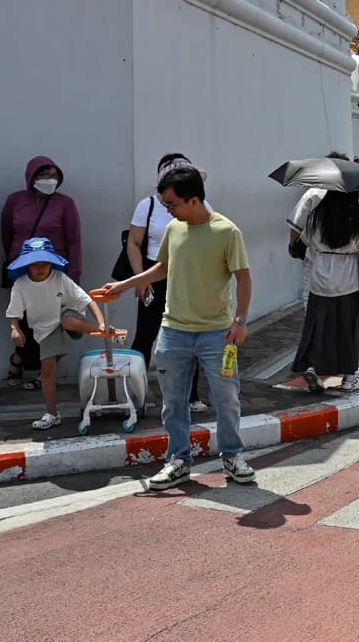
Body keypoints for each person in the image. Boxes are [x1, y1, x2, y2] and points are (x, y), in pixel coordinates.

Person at [102, 164, 255, 491]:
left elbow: (243, 278)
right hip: (173, 330)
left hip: (218, 333)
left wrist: (240, 321)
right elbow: (163, 268)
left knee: (226, 398)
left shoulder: (227, 232)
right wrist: (126, 285)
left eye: (172, 203)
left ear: (194, 200)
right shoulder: (174, 229)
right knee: (173, 402)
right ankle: (178, 461)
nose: (167, 209)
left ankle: (232, 455)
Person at [126, 154, 211, 414]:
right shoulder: (148, 205)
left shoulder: (201, 204)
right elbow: (134, 243)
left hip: (188, 279)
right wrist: (140, 279)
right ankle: (137, 393)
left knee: (191, 335)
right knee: (145, 336)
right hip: (154, 277)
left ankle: (192, 394)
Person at [287, 183, 359, 393]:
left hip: (320, 273)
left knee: (317, 324)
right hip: (348, 276)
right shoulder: (356, 206)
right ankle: (348, 378)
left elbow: (303, 236)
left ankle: (312, 366)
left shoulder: (317, 209)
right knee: (348, 327)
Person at [5, 237, 105, 429]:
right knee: (47, 369)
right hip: (45, 327)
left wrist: (101, 323)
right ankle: (52, 413)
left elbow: (87, 300)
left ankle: (102, 330)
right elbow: (14, 313)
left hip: (69, 313)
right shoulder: (20, 284)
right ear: (26, 265)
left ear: (52, 263)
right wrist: (15, 329)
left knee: (68, 321)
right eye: (35, 265)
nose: (41, 268)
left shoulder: (60, 278)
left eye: (45, 264)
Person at [0, 156, 82, 390]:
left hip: (52, 273)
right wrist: (14, 261)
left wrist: (74, 275)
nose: (49, 180)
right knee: (23, 320)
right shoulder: (15, 201)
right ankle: (21, 359)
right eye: (43, 175)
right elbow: (7, 233)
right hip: (22, 270)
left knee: (48, 322)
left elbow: (74, 241)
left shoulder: (65, 203)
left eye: (54, 175)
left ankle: (39, 370)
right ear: (31, 177)